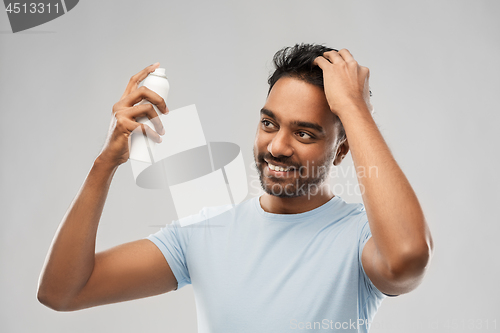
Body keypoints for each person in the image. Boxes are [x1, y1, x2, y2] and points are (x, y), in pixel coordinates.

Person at [37, 43, 434, 332]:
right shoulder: (204, 233)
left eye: (305, 133)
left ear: (342, 148)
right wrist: (105, 163)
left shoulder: (361, 238)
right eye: (269, 123)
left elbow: (408, 258)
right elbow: (63, 291)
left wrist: (354, 108)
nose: (277, 146)